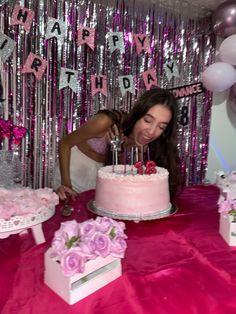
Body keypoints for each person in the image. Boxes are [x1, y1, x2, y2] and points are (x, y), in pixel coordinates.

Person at [54, 87, 181, 200]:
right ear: (137, 114)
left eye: (161, 126)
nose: (152, 132)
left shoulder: (147, 144)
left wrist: (118, 151)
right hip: (73, 173)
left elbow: (120, 174)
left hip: (99, 181)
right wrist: (66, 184)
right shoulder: (106, 122)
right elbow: (65, 143)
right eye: (147, 120)